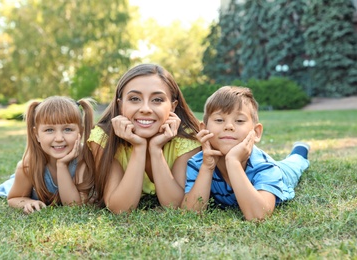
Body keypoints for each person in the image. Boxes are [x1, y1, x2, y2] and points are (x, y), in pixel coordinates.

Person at [181, 86, 310, 221]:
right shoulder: (198, 163)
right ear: (204, 129)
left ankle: (300, 150)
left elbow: (258, 215)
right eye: (219, 120)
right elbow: (191, 212)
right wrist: (207, 167)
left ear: (256, 132)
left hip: (283, 173)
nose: (229, 126)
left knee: (295, 163)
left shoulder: (265, 167)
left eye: (239, 121)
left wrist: (233, 162)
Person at [87, 63, 201, 214]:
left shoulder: (187, 140)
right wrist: (139, 148)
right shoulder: (103, 138)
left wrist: (155, 150)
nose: (145, 109)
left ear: (173, 107)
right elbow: (120, 208)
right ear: (120, 105)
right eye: (134, 99)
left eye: (157, 100)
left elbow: (174, 206)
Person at [6, 96, 96, 214]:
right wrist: (28, 202)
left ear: (81, 132)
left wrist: (62, 165)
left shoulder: (84, 160)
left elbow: (73, 206)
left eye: (68, 129)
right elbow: (14, 198)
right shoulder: (28, 166)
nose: (59, 138)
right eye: (49, 130)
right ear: (36, 134)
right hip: (19, 182)